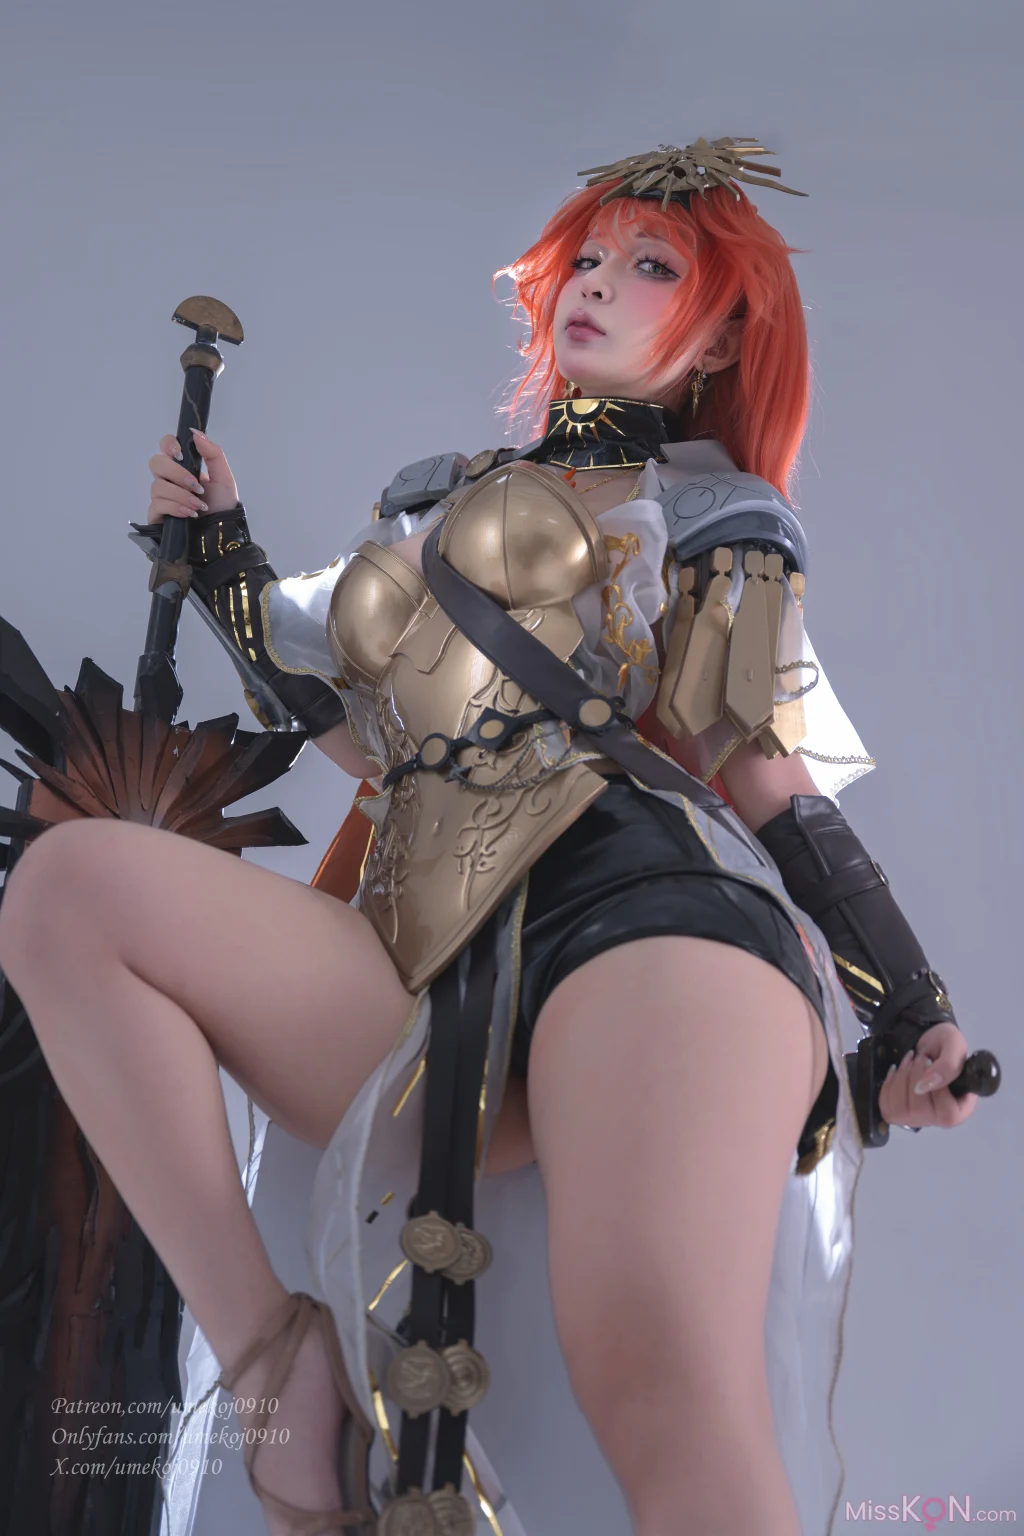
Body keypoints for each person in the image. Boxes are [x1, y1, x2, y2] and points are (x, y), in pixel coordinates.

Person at [0, 138, 978, 1536]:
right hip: (424, 951)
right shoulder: (433, 499)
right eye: (589, 258)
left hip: (644, 918)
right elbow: (354, 731)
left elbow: (768, 783)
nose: (600, 284)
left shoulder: (715, 514)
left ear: (718, 335)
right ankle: (278, 1368)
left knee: (656, 1378)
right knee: (70, 895)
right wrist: (220, 549)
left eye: (653, 267)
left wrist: (910, 1005)